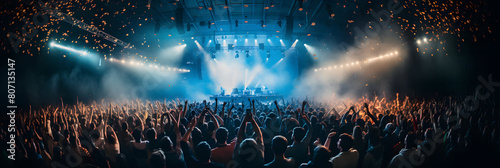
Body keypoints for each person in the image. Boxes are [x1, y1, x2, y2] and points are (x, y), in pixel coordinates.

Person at [285, 101, 313, 166]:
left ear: (293, 136)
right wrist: (305, 119)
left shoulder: (287, 149)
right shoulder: (304, 144)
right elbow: (310, 129)